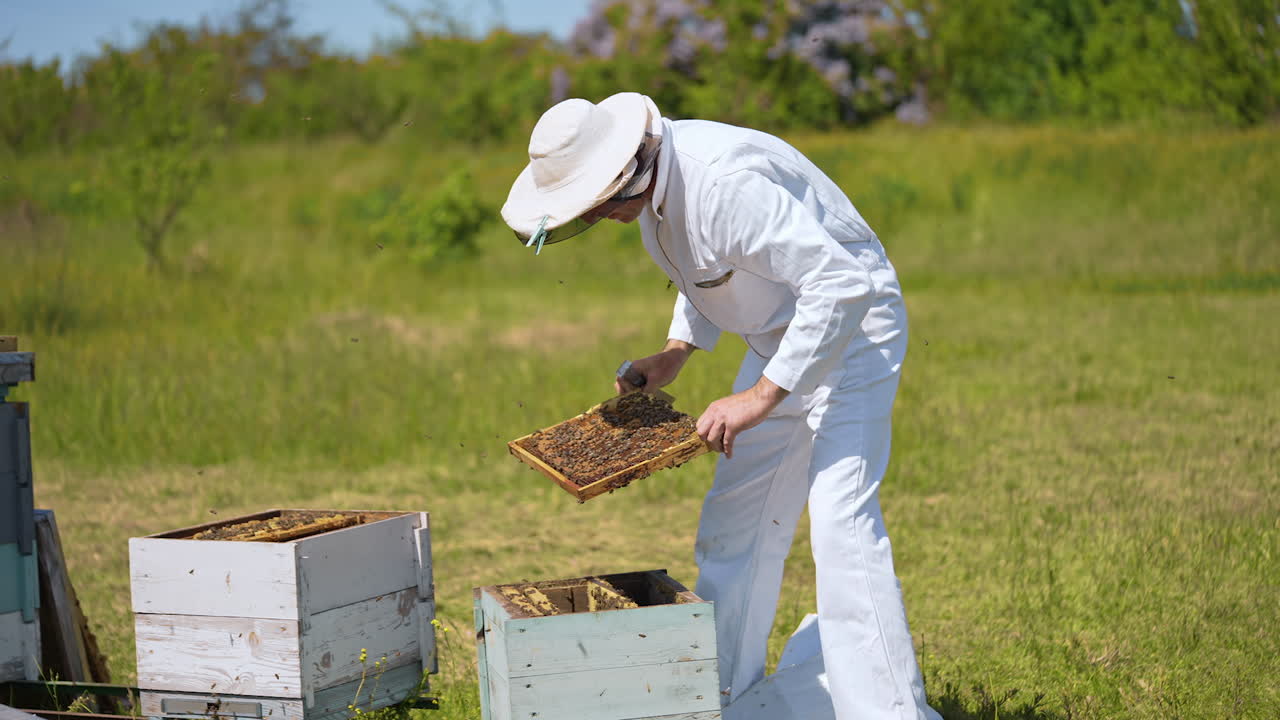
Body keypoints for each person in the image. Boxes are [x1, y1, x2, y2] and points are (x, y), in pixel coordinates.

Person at [501, 92, 942, 720]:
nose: (599, 218)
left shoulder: (723, 184)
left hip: (855, 327)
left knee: (841, 524)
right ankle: (722, 698)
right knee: (734, 526)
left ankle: (888, 710)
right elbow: (707, 269)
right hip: (782, 337)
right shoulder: (657, 189)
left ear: (625, 172)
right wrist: (676, 351)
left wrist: (761, 396)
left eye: (599, 206)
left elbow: (839, 283)